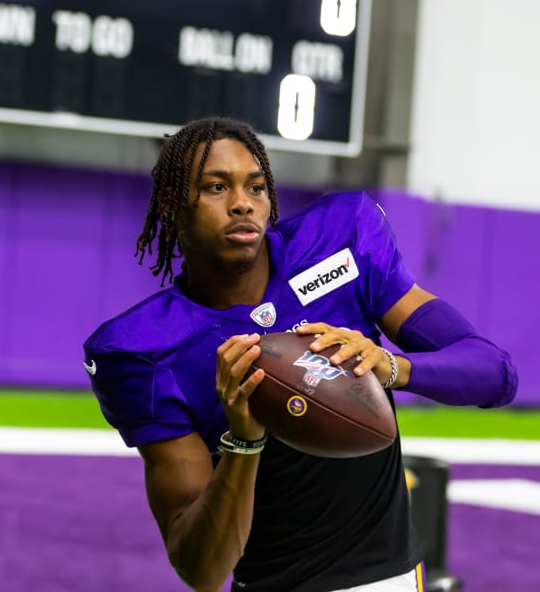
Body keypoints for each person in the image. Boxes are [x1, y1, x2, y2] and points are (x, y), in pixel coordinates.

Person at [83, 117, 517, 592]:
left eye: (257, 186)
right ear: (171, 205)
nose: (242, 203)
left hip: (391, 580)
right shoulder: (144, 348)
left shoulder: (340, 242)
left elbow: (495, 373)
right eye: (215, 187)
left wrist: (390, 365)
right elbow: (201, 570)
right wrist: (244, 440)